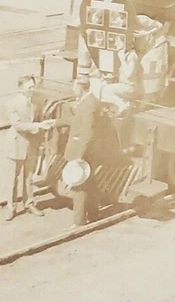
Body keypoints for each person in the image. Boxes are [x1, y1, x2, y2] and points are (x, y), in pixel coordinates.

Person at [5, 75, 55, 221]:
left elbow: (37, 119)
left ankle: (29, 203)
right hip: (16, 144)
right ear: (20, 88)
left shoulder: (35, 102)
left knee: (29, 176)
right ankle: (11, 207)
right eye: (29, 87)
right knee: (13, 178)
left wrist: (42, 130)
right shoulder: (12, 104)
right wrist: (38, 126)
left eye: (33, 86)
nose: (32, 90)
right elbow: (18, 125)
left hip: (31, 144)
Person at [64, 76, 102, 227]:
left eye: (74, 87)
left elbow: (87, 132)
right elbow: (77, 123)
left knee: (79, 186)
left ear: (80, 87)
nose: (73, 89)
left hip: (83, 152)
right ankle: (93, 213)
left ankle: (78, 222)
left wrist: (79, 155)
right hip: (87, 150)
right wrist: (55, 122)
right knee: (90, 183)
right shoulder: (88, 101)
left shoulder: (88, 105)